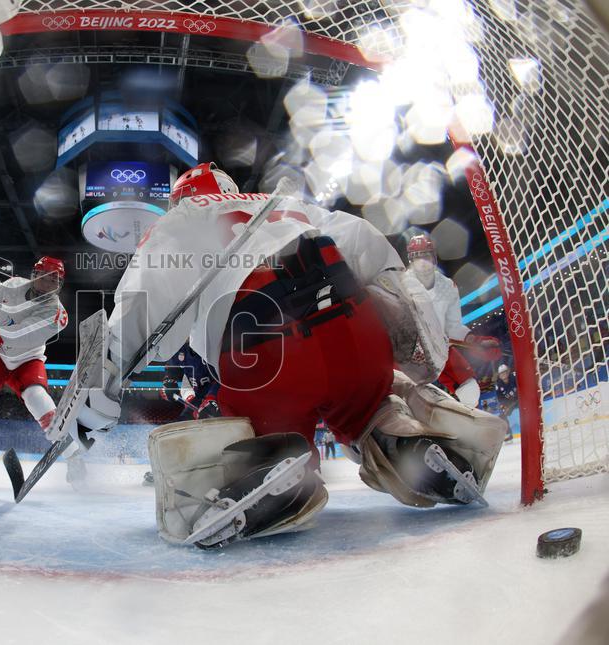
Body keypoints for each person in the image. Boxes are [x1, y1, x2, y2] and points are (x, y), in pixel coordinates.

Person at [70, 161, 507, 548]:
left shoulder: (182, 220)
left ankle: (277, 472)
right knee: (370, 405)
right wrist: (404, 340)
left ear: (182, 200)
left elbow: (142, 306)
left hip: (264, 349)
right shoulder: (287, 204)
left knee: (264, 430)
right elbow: (376, 254)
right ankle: (400, 436)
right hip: (357, 330)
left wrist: (97, 380)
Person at [0, 256, 83, 490]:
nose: (51, 283)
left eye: (56, 279)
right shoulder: (10, 285)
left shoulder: (57, 315)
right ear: (35, 274)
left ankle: (75, 458)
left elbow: (22, 337)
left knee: (39, 400)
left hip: (28, 357)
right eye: (47, 276)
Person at [406, 234, 502, 407]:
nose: (422, 262)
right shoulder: (401, 284)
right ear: (411, 260)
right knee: (408, 399)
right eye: (417, 257)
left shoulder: (448, 286)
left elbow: (453, 326)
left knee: (470, 390)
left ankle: (470, 430)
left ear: (434, 257)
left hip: (441, 349)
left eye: (426, 255)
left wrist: (475, 341)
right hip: (409, 354)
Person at [144, 341, 221, 485]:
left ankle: (210, 472)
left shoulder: (211, 343)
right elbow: (173, 369)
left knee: (212, 435)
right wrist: (169, 382)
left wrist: (212, 398)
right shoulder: (181, 348)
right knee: (176, 430)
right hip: (199, 399)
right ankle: (167, 470)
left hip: (222, 397)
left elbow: (224, 375)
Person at [495, 364, 518, 441]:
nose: (503, 374)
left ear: (508, 372)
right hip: (509, 403)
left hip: (520, 399)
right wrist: (504, 406)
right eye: (501, 373)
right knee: (502, 416)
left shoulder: (514, 377)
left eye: (504, 372)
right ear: (499, 375)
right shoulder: (498, 385)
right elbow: (500, 398)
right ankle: (508, 434)